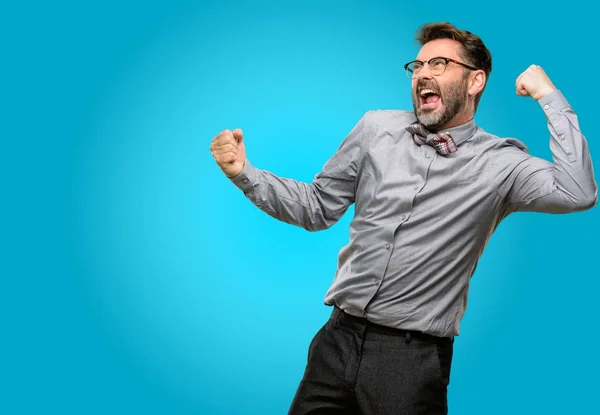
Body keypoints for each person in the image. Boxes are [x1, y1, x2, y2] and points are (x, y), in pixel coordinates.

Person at [209, 22, 597, 415]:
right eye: (418, 66)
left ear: (475, 80)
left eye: (440, 63)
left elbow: (578, 192)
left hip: (409, 361)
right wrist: (245, 172)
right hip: (335, 341)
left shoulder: (502, 165)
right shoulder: (375, 129)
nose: (423, 74)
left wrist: (548, 96)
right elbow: (317, 207)